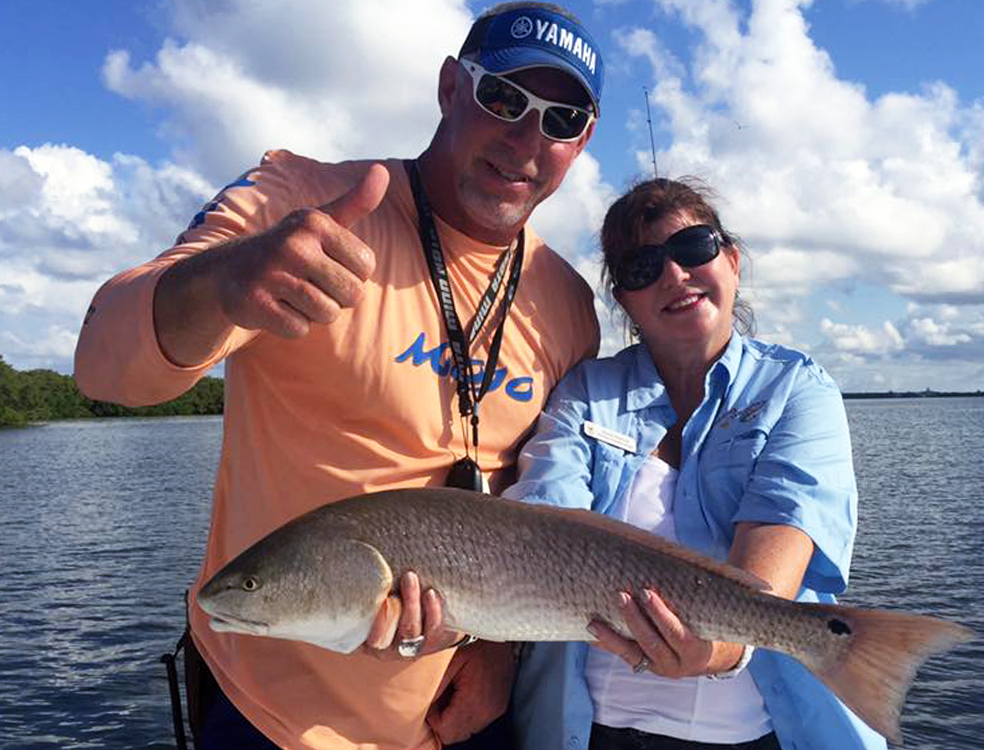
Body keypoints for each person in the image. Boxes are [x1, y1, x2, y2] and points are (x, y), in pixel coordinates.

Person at [73, 4, 604, 749]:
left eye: (560, 118)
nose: (525, 138)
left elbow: (543, 510)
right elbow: (102, 364)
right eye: (504, 98)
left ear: (582, 141)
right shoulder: (299, 201)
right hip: (273, 715)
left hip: (463, 718)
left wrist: (497, 653)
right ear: (451, 87)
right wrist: (225, 282)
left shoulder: (571, 305)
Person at [502, 177, 888, 750]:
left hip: (759, 735)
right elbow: (540, 529)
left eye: (693, 249)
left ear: (731, 261)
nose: (674, 275)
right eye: (642, 267)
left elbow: (784, 531)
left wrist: (724, 649)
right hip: (590, 733)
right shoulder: (585, 392)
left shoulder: (797, 389)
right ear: (624, 301)